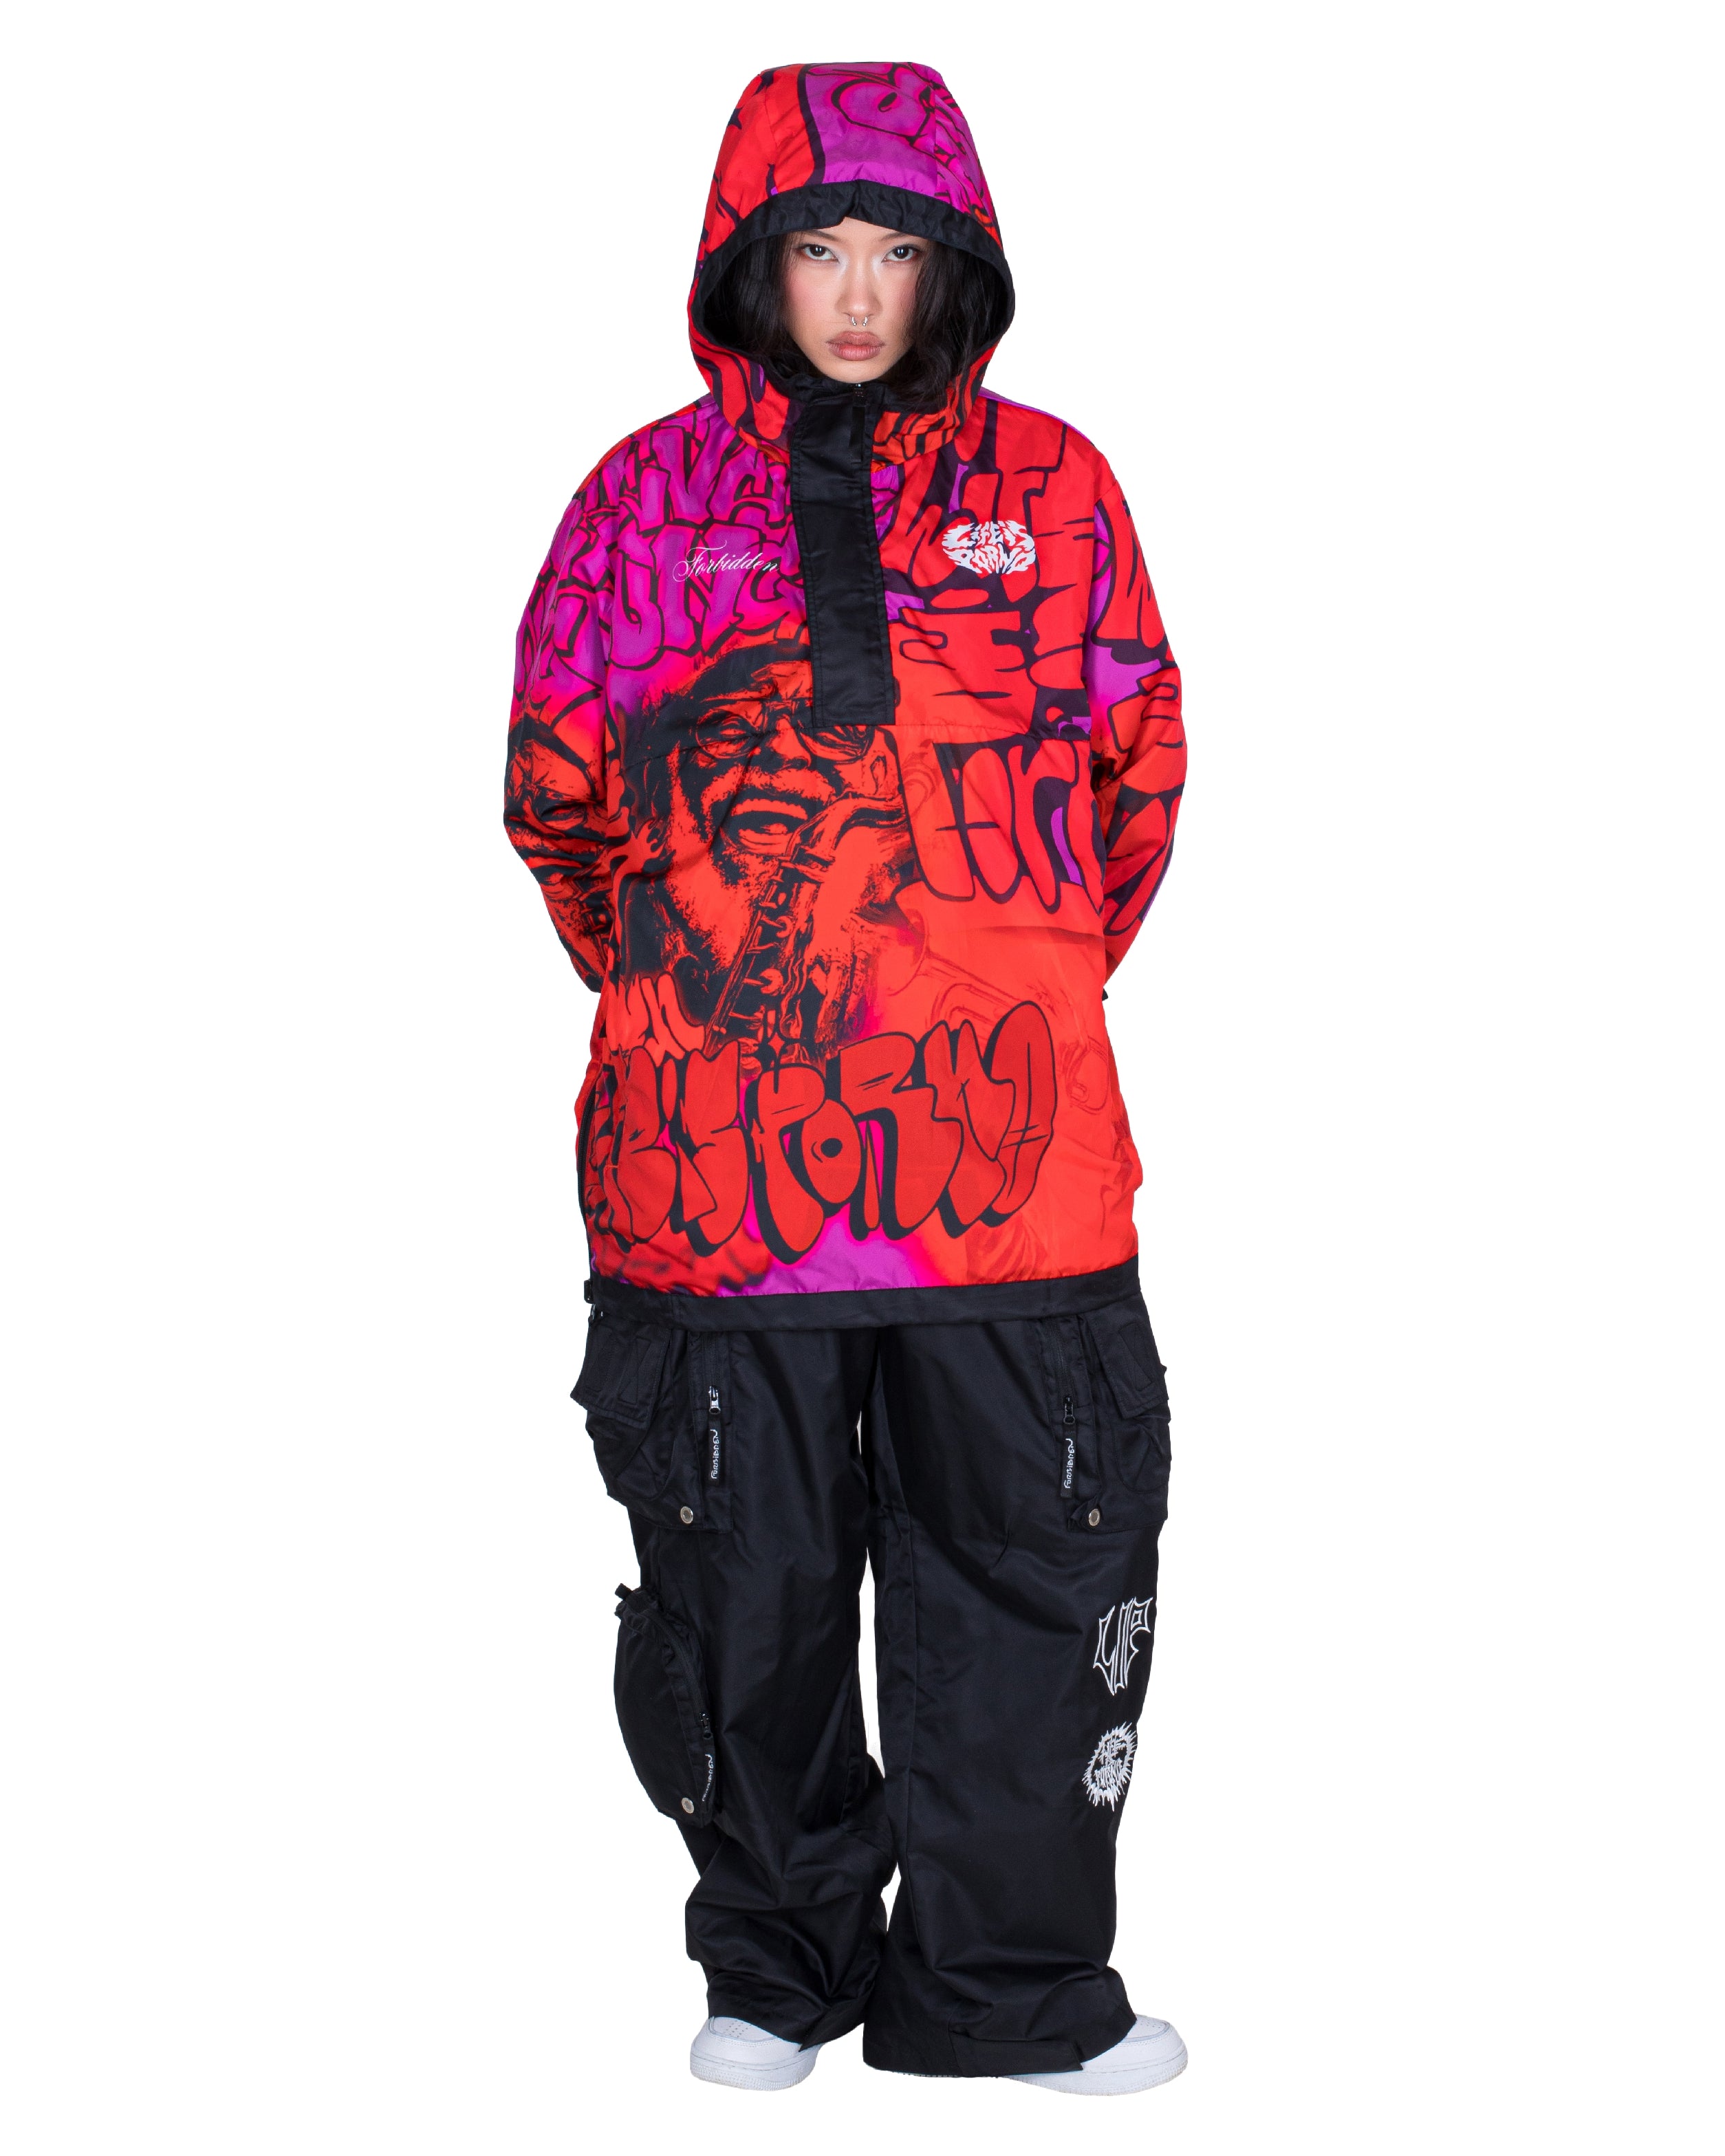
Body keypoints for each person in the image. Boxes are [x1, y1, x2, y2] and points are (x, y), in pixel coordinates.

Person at [506, 61, 1188, 2095]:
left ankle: (1008, 1992)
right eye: (820, 248)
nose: (863, 293)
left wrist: (1000, 971)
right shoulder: (638, 505)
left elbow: (1132, 783)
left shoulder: (1055, 488)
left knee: (1032, 1580)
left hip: (1011, 1174)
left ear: (957, 263)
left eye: (900, 250)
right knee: (749, 1593)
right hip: (714, 1185)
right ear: (754, 264)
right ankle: (775, 1970)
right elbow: (558, 799)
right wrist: (699, 1000)